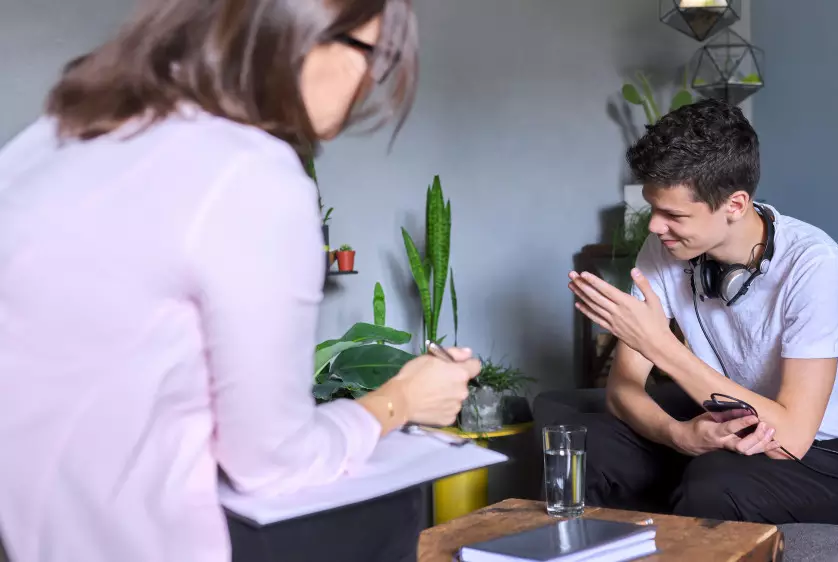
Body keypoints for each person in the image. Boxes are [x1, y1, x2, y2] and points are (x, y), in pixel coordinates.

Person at [0, 1, 481, 561]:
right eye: (374, 55)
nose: (370, 81)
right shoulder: (249, 172)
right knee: (393, 507)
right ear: (303, 37)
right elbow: (272, 462)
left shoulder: (46, 142)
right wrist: (400, 399)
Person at [547, 99, 838, 525]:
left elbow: (791, 439)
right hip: (736, 430)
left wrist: (660, 347)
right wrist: (679, 435)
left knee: (715, 481)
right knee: (584, 443)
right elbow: (622, 392)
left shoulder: (815, 266)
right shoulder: (665, 247)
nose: (655, 226)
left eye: (673, 214)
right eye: (652, 208)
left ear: (735, 204)